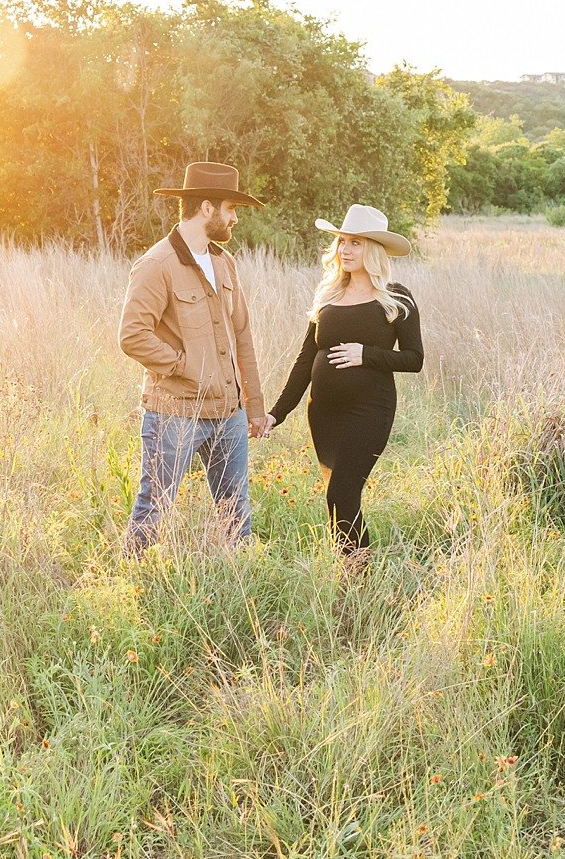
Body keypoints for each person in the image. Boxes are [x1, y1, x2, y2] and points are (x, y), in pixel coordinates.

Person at [117, 162, 274, 556]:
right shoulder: (157, 264)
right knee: (154, 509)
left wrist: (254, 405)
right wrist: (186, 367)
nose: (234, 218)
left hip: (229, 412)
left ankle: (238, 581)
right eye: (230, 209)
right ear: (207, 208)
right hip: (175, 413)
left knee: (235, 513)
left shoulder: (224, 262)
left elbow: (242, 335)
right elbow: (132, 336)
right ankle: (131, 579)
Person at [269, 204, 424, 561]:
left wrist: (366, 354)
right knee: (336, 498)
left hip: (369, 411)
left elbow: (414, 359)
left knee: (342, 493)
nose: (346, 249)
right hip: (324, 414)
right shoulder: (328, 295)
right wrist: (278, 413)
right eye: (342, 241)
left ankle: (358, 575)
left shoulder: (396, 297)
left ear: (374, 249)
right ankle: (350, 571)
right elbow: (305, 360)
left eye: (356, 242)